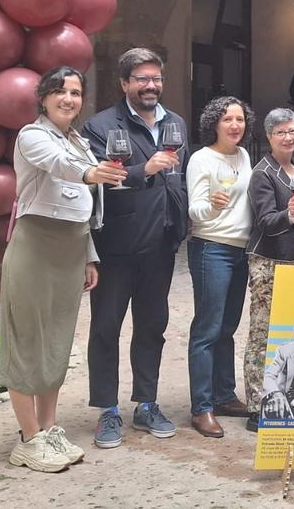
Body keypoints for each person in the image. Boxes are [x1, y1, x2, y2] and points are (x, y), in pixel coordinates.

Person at [0, 67, 125, 472]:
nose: (68, 98)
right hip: (36, 246)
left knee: (55, 342)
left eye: (75, 92)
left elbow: (81, 206)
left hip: (71, 250)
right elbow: (59, 167)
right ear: (43, 97)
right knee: (27, 342)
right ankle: (28, 438)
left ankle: (49, 430)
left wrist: (88, 254)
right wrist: (91, 172)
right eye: (59, 91)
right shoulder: (32, 136)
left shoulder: (81, 142)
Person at [83, 48, 189, 448]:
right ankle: (107, 410)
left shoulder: (174, 122)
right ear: (125, 83)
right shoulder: (101, 125)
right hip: (117, 244)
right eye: (142, 79)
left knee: (152, 327)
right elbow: (99, 177)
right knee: (106, 328)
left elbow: (179, 175)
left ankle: (146, 403)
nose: (150, 86)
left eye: (156, 79)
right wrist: (142, 171)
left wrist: (180, 222)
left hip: (161, 244)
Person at [185, 95, 255, 438]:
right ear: (214, 123)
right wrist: (212, 206)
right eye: (227, 119)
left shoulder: (243, 155)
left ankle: (224, 395)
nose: (234, 125)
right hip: (211, 248)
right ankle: (202, 408)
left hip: (240, 250)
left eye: (240, 119)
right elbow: (194, 212)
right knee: (207, 330)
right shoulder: (201, 159)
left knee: (227, 327)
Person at [243, 107, 294, 432]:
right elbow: (266, 222)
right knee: (261, 334)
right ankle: (256, 406)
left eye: (291, 130)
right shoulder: (263, 172)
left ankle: (284, 397)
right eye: (280, 132)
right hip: (269, 262)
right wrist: (290, 214)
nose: (287, 137)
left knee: (288, 335)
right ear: (269, 137)